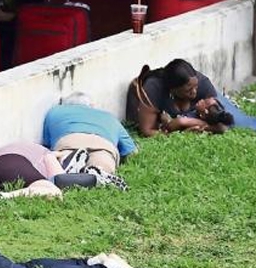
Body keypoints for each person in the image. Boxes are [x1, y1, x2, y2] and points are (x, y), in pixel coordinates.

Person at [127, 59, 256, 136]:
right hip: (157, 113)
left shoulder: (202, 83)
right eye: (188, 90)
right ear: (173, 90)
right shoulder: (153, 89)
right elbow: (147, 131)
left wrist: (196, 121)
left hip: (187, 116)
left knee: (241, 123)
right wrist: (180, 132)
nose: (194, 92)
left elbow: (222, 125)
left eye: (196, 87)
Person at [43, 92, 137, 189]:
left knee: (63, 155)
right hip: (102, 144)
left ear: (64, 104)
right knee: (103, 163)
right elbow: (130, 150)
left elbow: (47, 143)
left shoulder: (54, 112)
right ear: (91, 105)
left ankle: (68, 159)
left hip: (69, 140)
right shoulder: (109, 117)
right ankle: (97, 171)